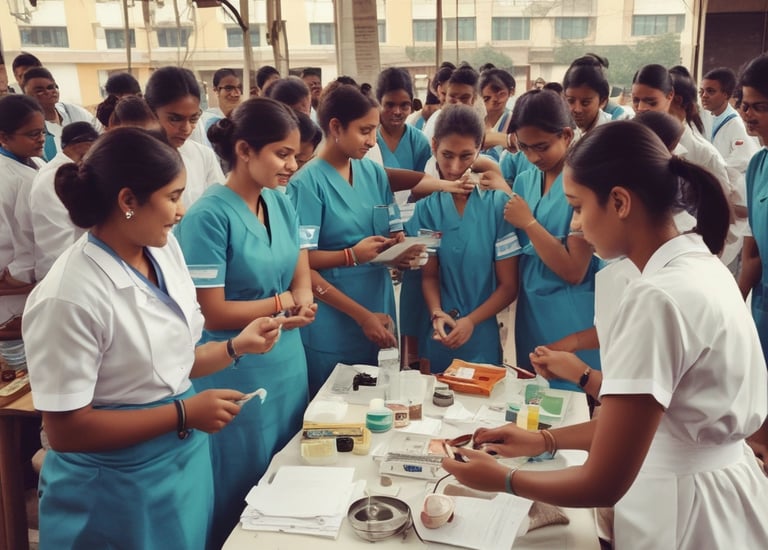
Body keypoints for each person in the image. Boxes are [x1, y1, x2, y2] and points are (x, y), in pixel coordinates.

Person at [443, 120, 768, 550]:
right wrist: (545, 439)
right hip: (718, 493)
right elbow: (644, 425)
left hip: (683, 513)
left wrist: (504, 479)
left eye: (578, 207)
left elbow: (604, 481)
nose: (576, 225)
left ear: (619, 202)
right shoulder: (700, 265)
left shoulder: (657, 299)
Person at [22, 128, 282, 549]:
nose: (181, 210)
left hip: (180, 465)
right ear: (128, 201)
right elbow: (67, 430)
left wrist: (236, 346)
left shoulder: (161, 250)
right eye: (173, 196)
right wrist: (183, 413)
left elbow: (170, 365)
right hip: (114, 486)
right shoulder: (68, 296)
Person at [176, 98, 317, 548]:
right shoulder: (208, 215)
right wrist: (281, 303)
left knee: (290, 468)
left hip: (287, 359)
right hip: (238, 364)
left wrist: (306, 297)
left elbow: (299, 256)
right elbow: (212, 310)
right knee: (242, 480)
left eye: (295, 154)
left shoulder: (279, 200)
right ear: (244, 150)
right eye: (282, 153)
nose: (292, 164)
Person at [287, 84, 422, 395]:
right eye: (364, 131)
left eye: (374, 130)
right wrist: (351, 257)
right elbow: (301, 265)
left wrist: (399, 251)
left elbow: (389, 232)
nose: (372, 141)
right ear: (335, 127)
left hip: (379, 303)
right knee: (336, 412)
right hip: (334, 316)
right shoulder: (307, 185)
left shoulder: (373, 174)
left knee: (382, 402)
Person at [406, 104, 519, 372]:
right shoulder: (427, 208)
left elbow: (509, 286)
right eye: (447, 155)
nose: (455, 167)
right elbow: (430, 275)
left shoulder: (498, 204)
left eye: (466, 155)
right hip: (439, 331)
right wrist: (436, 312)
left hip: (482, 332)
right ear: (433, 146)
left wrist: (471, 322)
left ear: (480, 148)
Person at [504, 89, 602, 391]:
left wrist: (529, 223)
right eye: (525, 147)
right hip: (531, 306)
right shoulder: (524, 179)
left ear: (567, 135)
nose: (533, 156)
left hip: (570, 310)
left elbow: (575, 271)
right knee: (532, 393)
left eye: (542, 147)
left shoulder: (584, 182)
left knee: (571, 395)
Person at [144, 66, 224, 208]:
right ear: (151, 112)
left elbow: (219, 207)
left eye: (193, 119)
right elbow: (125, 214)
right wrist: (131, 217)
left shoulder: (203, 156)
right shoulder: (131, 162)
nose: (186, 129)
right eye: (175, 119)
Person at [0, 95, 44, 346]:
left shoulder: (36, 162)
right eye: (32, 134)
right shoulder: (9, 177)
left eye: (42, 132)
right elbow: (18, 238)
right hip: (14, 285)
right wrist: (16, 278)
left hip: (28, 276)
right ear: (3, 137)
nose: (40, 139)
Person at [29, 122, 99, 280]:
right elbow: (64, 235)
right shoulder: (55, 177)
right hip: (63, 266)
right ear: (83, 144)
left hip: (73, 261)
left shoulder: (65, 169)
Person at [374, 67, 432, 203]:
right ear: (378, 104)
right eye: (390, 105)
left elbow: (423, 185)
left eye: (404, 105)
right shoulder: (369, 141)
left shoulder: (419, 142)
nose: (397, 111)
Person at [21, 67, 94, 161]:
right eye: (39, 90)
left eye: (51, 87)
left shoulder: (72, 111)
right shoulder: (30, 128)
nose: (48, 92)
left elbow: (100, 133)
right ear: (27, 96)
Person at [563, 54, 613, 135]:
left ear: (602, 101)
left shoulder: (612, 135)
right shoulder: (569, 130)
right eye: (571, 101)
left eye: (585, 103)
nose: (577, 109)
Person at [479, 68, 516, 161]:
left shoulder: (515, 120)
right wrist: (506, 139)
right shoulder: (473, 120)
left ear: (511, 92)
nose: (495, 99)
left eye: (501, 94)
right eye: (487, 97)